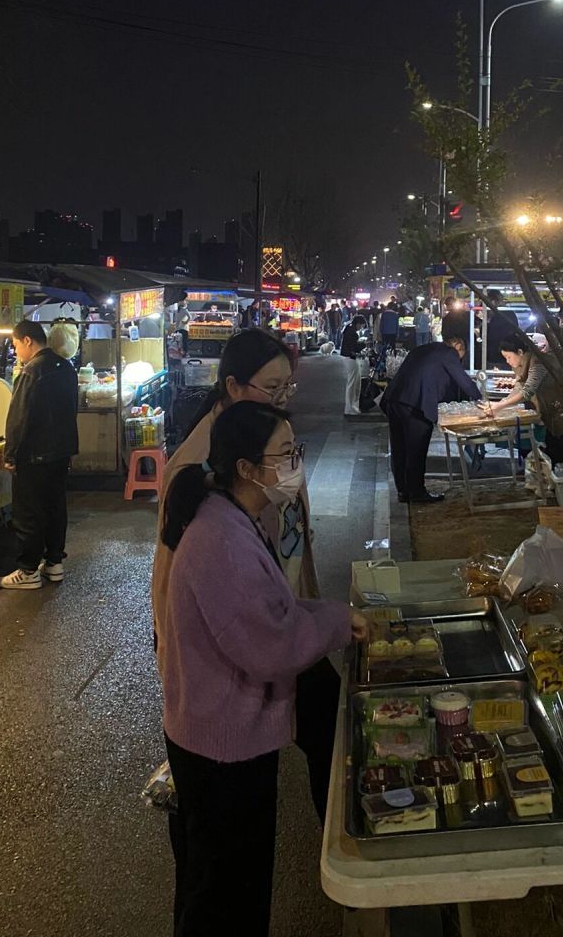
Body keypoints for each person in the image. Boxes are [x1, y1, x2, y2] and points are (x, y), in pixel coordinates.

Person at [159, 401, 365, 936]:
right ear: (248, 470)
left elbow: (278, 611)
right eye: (286, 454)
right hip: (221, 745)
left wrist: (337, 616)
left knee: (228, 881)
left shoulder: (240, 517)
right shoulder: (221, 540)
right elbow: (271, 645)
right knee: (226, 892)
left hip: (224, 733)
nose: (296, 463)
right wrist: (339, 624)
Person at [152, 330, 336, 821]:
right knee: (229, 818)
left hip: (282, 616)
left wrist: (310, 608)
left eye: (286, 389)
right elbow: (171, 576)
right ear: (232, 386)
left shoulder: (264, 437)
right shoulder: (200, 471)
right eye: (270, 389)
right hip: (249, 648)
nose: (280, 401)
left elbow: (293, 536)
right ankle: (344, 847)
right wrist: (173, 664)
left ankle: (341, 839)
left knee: (328, 732)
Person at [0, 320, 79, 590]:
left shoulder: (32, 371)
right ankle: (54, 563)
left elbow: (19, 418)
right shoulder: (66, 367)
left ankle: (28, 570)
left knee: (29, 511)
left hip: (34, 454)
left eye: (16, 344)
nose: (16, 350)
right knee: (55, 507)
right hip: (61, 451)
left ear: (28, 341)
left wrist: (10, 454)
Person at [381, 338, 481, 503]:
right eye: (461, 357)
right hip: (416, 405)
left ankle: (403, 491)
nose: (459, 360)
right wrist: (481, 400)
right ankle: (417, 492)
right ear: (458, 347)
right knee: (416, 451)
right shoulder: (449, 353)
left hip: (394, 399)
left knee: (399, 449)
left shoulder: (423, 349)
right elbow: (463, 379)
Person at [488, 334, 563, 464]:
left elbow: (528, 391)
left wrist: (500, 406)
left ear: (520, 352)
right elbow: (519, 387)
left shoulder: (539, 362)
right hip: (551, 412)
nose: (507, 361)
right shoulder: (521, 365)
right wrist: (500, 404)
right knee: (554, 448)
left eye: (509, 357)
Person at [481, 289, 519, 367]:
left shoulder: (492, 316)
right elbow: (516, 331)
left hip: (493, 354)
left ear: (493, 301)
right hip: (507, 354)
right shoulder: (510, 313)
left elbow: (486, 334)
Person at [340, 316, 368, 416]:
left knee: (355, 382)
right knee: (352, 383)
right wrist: (364, 344)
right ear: (358, 323)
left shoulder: (349, 329)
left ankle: (353, 406)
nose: (361, 328)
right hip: (350, 358)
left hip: (347, 357)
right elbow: (354, 348)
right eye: (361, 325)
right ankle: (349, 408)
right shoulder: (352, 333)